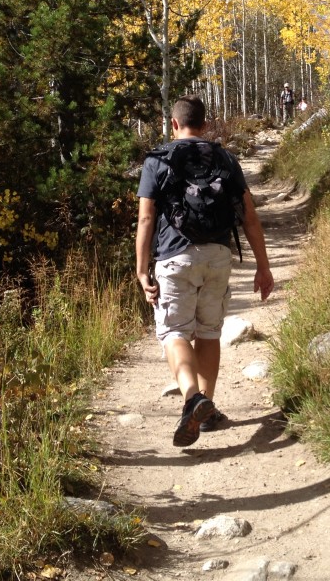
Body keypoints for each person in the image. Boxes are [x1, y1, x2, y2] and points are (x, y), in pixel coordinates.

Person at [136, 95, 274, 447]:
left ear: (173, 124)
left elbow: (146, 217)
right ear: (206, 123)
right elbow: (249, 216)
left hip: (174, 256)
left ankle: (193, 397)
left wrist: (141, 270)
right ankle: (207, 410)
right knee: (209, 332)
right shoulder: (225, 157)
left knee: (174, 333)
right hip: (217, 255)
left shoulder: (158, 159)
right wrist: (263, 266)